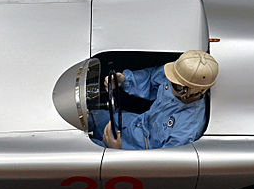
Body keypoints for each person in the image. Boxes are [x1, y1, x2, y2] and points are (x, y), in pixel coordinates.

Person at [90, 50, 219, 150]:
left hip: (140, 150)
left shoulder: (186, 131)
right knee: (89, 118)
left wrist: (117, 151)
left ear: (195, 91)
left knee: (91, 150)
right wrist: (124, 80)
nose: (168, 81)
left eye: (175, 84)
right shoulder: (177, 74)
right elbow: (152, 79)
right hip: (136, 122)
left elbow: (159, 165)